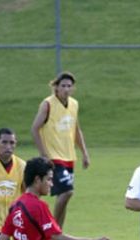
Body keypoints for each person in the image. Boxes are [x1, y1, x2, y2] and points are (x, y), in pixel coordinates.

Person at [30, 71, 91, 229]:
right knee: (67, 192)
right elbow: (35, 129)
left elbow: (76, 130)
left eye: (69, 86)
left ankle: (58, 233)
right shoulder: (47, 104)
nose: (66, 89)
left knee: (63, 195)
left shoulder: (74, 104)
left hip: (69, 157)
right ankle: (53, 228)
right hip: (53, 157)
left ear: (73, 89)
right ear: (56, 87)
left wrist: (84, 152)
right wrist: (44, 154)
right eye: (63, 85)